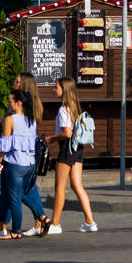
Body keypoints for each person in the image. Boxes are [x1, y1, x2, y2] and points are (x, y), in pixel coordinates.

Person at [44, 78, 98, 233]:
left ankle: (55, 224)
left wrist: (50, 139)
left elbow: (67, 133)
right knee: (77, 185)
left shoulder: (63, 109)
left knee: (59, 186)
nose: (54, 89)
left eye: (57, 87)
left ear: (64, 90)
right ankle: (90, 221)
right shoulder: (76, 108)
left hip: (67, 148)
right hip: (79, 147)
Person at [0, 88, 47, 239]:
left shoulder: (10, 119)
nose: (8, 104)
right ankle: (43, 218)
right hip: (30, 164)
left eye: (10, 101)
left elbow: (4, 145)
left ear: (18, 103)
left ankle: (16, 231)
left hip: (15, 164)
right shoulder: (31, 119)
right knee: (24, 194)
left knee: (14, 198)